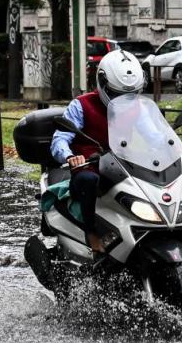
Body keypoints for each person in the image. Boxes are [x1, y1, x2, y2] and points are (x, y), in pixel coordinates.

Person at [50, 49, 146, 252]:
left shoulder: (138, 108)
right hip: (89, 168)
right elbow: (60, 139)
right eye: (117, 94)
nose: (124, 100)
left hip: (123, 167)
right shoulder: (81, 105)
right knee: (88, 180)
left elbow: (154, 135)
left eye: (130, 95)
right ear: (102, 83)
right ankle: (90, 231)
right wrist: (69, 156)